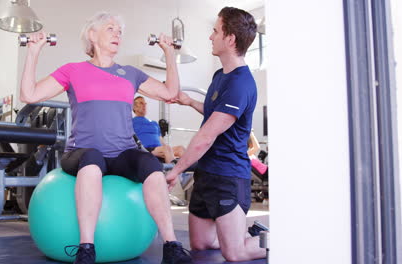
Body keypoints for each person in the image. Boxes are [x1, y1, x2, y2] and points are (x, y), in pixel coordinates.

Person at [20, 11, 191, 264]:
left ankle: (171, 245)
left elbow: (170, 92)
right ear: (92, 34)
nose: (117, 34)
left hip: (121, 153)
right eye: (110, 28)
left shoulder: (130, 73)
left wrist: (168, 53)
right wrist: (33, 52)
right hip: (81, 152)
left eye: (119, 31)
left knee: (151, 165)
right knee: (92, 159)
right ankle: (86, 248)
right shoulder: (73, 71)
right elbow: (29, 94)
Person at [165, 7, 267, 262]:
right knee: (201, 244)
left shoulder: (240, 83)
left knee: (235, 253)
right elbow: (215, 113)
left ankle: (279, 238)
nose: (211, 37)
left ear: (230, 39)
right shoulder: (220, 75)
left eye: (215, 31)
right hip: (207, 174)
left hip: (228, 177)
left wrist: (176, 171)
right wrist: (190, 102)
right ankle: (239, 233)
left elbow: (206, 136)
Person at [133, 96, 186, 163]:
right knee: (166, 149)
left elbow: (161, 141)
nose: (144, 106)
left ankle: (188, 171)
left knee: (180, 149)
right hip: (146, 150)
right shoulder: (131, 122)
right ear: (134, 107)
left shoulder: (154, 123)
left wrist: (169, 150)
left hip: (160, 149)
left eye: (145, 104)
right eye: (141, 103)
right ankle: (173, 172)